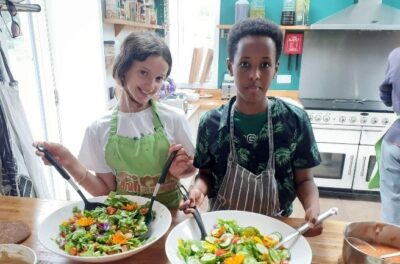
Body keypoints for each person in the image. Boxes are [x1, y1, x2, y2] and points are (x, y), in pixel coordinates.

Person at [180, 18, 322, 236]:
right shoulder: (211, 123)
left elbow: (304, 180)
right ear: (230, 66)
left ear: (275, 68)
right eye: (245, 64)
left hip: (275, 233)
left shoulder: (295, 120)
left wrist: (313, 208)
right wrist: (197, 190)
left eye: (264, 65)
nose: (254, 75)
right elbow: (205, 174)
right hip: (221, 232)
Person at [35, 32, 196, 208]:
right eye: (143, 73)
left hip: (171, 215)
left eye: (159, 78)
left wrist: (178, 171)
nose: (151, 86)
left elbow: (193, 167)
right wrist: (68, 161)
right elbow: (106, 191)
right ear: (123, 71)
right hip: (126, 224)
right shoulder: (98, 128)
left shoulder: (174, 118)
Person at [378, 47, 400, 225]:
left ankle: (392, 247)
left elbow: (385, 95)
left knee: (392, 203)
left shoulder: (397, 54)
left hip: (396, 141)